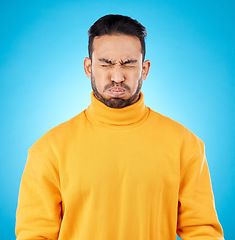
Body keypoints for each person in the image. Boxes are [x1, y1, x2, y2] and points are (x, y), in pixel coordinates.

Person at [15, 14, 224, 240]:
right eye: (105, 63)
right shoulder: (49, 149)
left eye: (128, 64)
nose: (117, 76)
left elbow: (202, 232)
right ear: (88, 67)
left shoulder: (185, 144)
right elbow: (34, 235)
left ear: (144, 69)